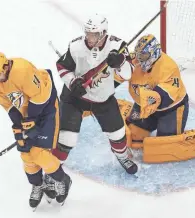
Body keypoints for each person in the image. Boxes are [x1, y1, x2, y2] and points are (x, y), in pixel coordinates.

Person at [0, 52, 71, 209]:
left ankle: (62, 179)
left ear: (6, 66)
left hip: (46, 108)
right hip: (27, 111)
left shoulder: (22, 70)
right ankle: (38, 184)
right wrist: (18, 124)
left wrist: (31, 120)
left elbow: (40, 97)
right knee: (25, 150)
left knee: (39, 152)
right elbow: (7, 104)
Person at [52, 13, 138, 174]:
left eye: (95, 34)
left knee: (118, 133)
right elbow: (62, 67)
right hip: (75, 97)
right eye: (88, 33)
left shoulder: (117, 46)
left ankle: (121, 156)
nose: (90, 38)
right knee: (66, 139)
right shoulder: (76, 46)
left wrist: (120, 62)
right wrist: (72, 82)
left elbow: (128, 74)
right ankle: (53, 170)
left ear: (104, 33)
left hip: (102, 97)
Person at [125, 34, 189, 144]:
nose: (139, 59)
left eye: (143, 55)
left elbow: (165, 97)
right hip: (144, 105)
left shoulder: (169, 67)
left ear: (154, 53)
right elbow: (115, 75)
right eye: (138, 55)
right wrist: (116, 64)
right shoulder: (134, 61)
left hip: (170, 109)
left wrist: (147, 99)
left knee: (164, 144)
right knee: (133, 135)